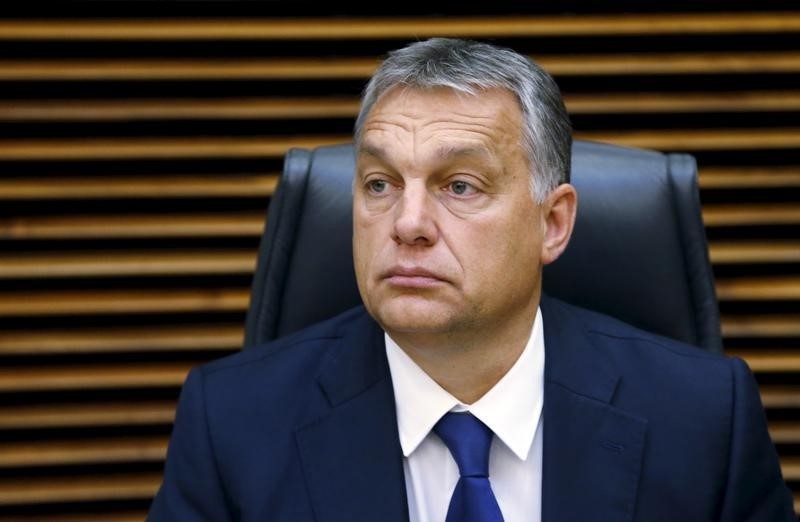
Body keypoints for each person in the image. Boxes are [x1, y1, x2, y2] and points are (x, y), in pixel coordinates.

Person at [148, 38, 794, 521]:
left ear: (553, 223)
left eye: (460, 185)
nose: (407, 223)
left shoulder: (707, 417)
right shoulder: (231, 423)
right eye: (380, 184)